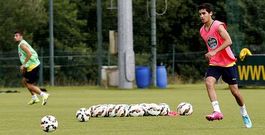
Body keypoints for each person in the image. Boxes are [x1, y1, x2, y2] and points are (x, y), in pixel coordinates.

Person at [198, 3, 252, 128]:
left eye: (204, 13)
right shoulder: (202, 30)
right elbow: (211, 45)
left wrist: (214, 51)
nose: (201, 16)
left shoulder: (217, 25)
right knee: (208, 82)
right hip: (215, 63)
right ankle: (217, 111)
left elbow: (229, 41)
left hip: (228, 63)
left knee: (235, 92)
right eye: (200, 14)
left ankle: (244, 113)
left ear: (210, 13)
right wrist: (211, 54)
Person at [14, 30, 49, 105]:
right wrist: (25, 67)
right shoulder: (21, 44)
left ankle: (44, 94)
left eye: (17, 35)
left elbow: (29, 54)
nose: (15, 37)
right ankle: (34, 98)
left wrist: (24, 64)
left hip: (33, 66)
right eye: (14, 36)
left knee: (30, 85)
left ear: (21, 36)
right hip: (30, 66)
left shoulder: (22, 45)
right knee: (24, 81)